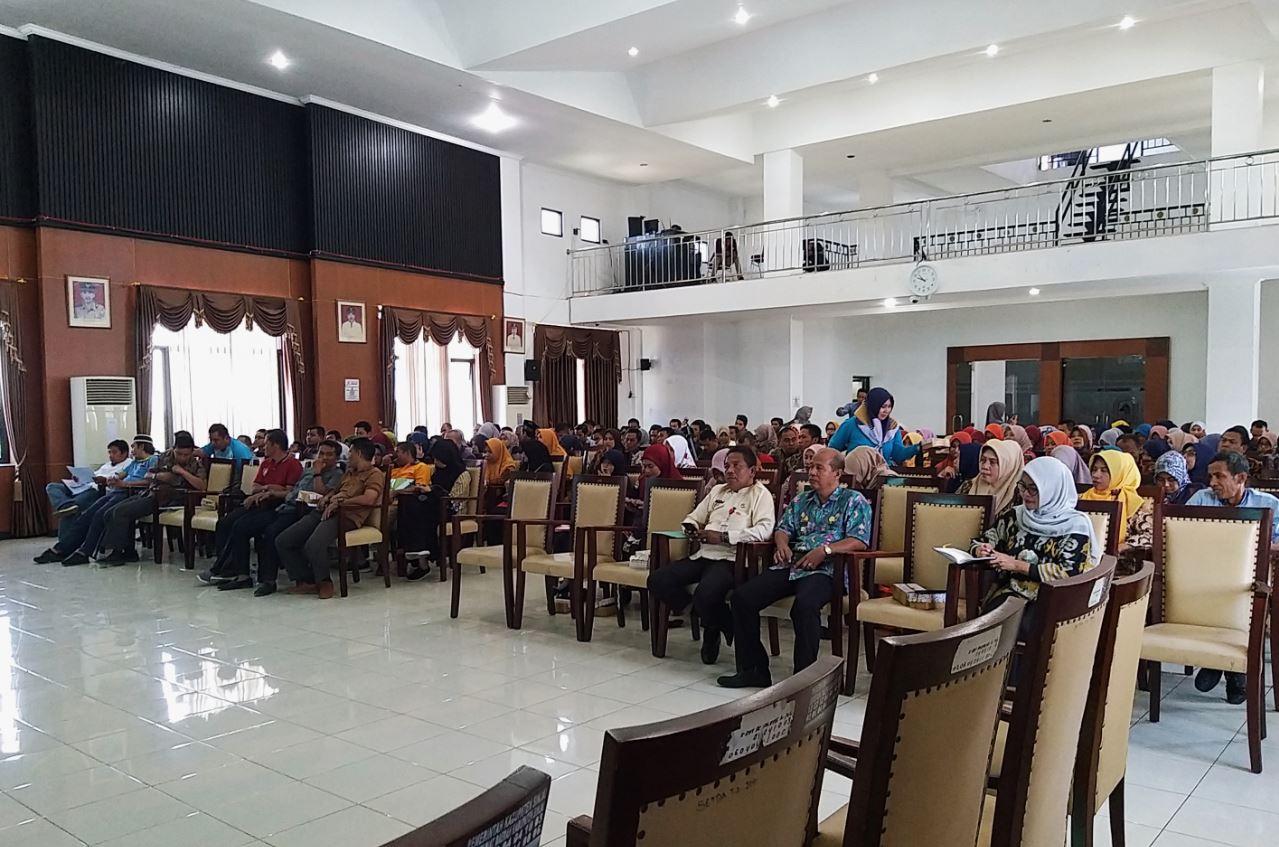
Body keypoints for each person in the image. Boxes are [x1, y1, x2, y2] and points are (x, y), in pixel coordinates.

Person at [719, 448, 873, 688]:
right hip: (793, 565)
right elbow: (783, 529)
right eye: (811, 467)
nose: (812, 472)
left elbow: (859, 540)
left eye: (819, 468)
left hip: (828, 570)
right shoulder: (802, 500)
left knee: (804, 605)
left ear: (837, 473)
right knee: (742, 599)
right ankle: (753, 670)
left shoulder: (853, 501)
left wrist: (825, 551)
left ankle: (803, 680)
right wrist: (781, 545)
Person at [646, 446, 775, 665]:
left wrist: (724, 537)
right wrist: (691, 528)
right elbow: (694, 517)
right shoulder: (717, 491)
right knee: (658, 580)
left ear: (752, 471)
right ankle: (716, 621)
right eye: (727, 466)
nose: (730, 471)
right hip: (704, 554)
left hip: (733, 559)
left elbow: (764, 531)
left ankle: (710, 625)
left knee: (706, 594)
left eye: (736, 466)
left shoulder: (760, 495)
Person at [1181, 451, 1279, 704]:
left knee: (1243, 596)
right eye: (1210, 476)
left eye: (1219, 476)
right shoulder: (1201, 499)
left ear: (1241, 478)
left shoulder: (1268, 504)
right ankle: (1230, 669)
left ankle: (1218, 664)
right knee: (1206, 593)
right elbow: (1181, 534)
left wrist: (1246, 548)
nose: (1212, 482)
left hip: (1251, 577)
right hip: (1208, 575)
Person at [971, 456, 1099, 638]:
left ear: (1052, 489)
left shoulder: (1075, 526)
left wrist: (1017, 565)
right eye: (1022, 486)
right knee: (988, 625)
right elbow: (982, 540)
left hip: (1052, 599)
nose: (1026, 494)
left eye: (1034, 489)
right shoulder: (1016, 516)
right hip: (1012, 594)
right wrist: (980, 550)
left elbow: (1069, 573)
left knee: (1021, 628)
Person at [275, 437, 386, 599]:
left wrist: (340, 503)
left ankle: (324, 582)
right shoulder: (349, 472)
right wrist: (328, 498)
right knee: (284, 540)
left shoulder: (374, 474)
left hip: (346, 516)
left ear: (359, 454)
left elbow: (369, 499)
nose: (348, 456)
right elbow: (335, 491)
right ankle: (306, 580)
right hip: (326, 510)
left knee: (314, 545)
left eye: (351, 452)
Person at [199, 429, 304, 589]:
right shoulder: (266, 463)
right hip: (258, 502)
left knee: (241, 526)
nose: (263, 446)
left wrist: (267, 490)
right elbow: (255, 487)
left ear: (275, 445)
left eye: (266, 443)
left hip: (276, 507)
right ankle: (229, 569)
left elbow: (289, 492)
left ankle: (239, 573)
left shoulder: (292, 465)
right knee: (225, 523)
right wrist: (268, 489)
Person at [244, 440, 344, 597]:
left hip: (313, 511)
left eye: (329, 454)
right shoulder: (308, 470)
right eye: (321, 453)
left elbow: (322, 493)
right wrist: (272, 492)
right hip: (289, 506)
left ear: (336, 458)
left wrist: (317, 473)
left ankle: (322, 581)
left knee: (280, 535)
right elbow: (294, 490)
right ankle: (305, 580)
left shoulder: (337, 474)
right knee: (280, 539)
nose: (323, 457)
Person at [37, 438, 157, 565]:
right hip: (117, 491)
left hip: (131, 493)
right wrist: (112, 479)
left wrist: (125, 484)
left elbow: (150, 481)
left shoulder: (153, 460)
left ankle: (85, 552)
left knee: (100, 515)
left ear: (142, 446)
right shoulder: (134, 463)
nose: (132, 450)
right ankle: (62, 549)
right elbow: (120, 474)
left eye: (134, 447)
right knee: (87, 515)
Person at [93, 433, 207, 566]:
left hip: (170, 499)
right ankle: (127, 551)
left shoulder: (196, 464)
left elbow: (201, 486)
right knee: (110, 511)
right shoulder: (165, 456)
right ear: (173, 449)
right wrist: (160, 476)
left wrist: (182, 472)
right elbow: (148, 474)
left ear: (192, 452)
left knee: (121, 512)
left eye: (186, 455)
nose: (182, 457)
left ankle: (117, 553)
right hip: (150, 492)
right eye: (179, 454)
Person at [399, 439, 467, 579]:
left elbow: (454, 499)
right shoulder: (436, 471)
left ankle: (419, 557)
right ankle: (417, 554)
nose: (435, 462)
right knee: (409, 505)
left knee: (417, 512)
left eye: (438, 458)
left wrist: (432, 491)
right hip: (433, 506)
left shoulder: (462, 474)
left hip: (451, 510)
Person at [828, 387, 920, 464]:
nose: (886, 411)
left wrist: (918, 447)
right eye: (883, 406)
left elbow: (898, 455)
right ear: (873, 405)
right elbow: (832, 449)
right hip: (855, 476)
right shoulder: (853, 424)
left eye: (889, 406)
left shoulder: (892, 428)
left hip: (882, 475)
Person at [44, 439, 130, 518]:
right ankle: (65, 505)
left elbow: (117, 478)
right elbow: (93, 475)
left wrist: (104, 480)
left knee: (75, 504)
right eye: (109, 452)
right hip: (82, 486)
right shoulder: (107, 465)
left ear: (124, 453)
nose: (111, 455)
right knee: (52, 487)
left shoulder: (128, 464)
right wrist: (79, 477)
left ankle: (68, 508)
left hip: (95, 490)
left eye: (114, 452)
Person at [1079, 451, 1144, 545]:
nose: (1096, 475)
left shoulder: (1133, 503)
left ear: (1120, 474)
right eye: (1094, 469)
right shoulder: (1081, 498)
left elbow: (1150, 536)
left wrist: (1126, 546)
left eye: (1104, 470)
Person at [958, 439, 1025, 513]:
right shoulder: (969, 486)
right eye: (983, 460)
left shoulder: (1021, 495)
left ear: (1008, 466)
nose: (985, 466)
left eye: (992, 462)